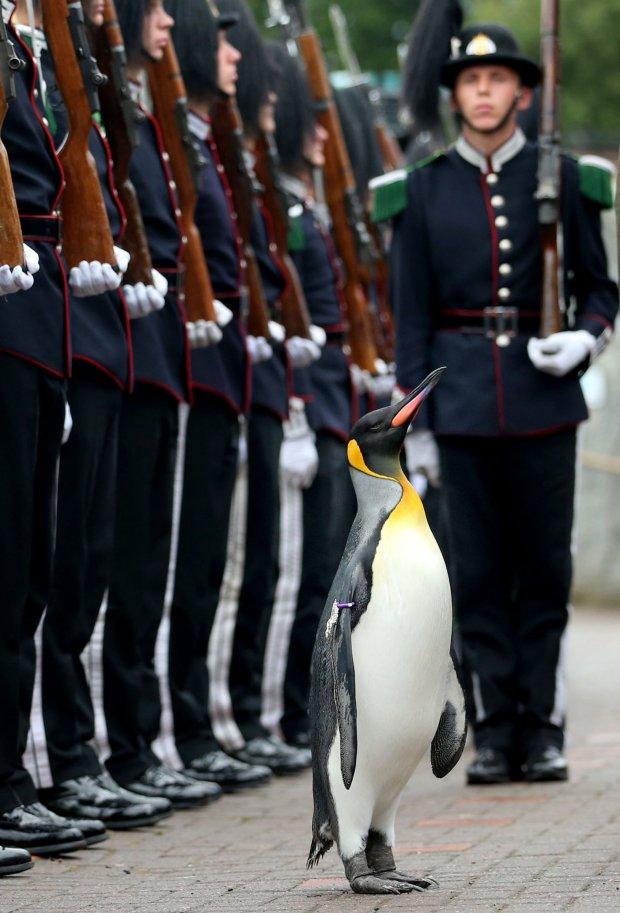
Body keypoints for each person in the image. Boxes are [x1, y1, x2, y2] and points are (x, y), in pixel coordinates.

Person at [388, 4, 618, 784]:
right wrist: (412, 424)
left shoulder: (563, 178)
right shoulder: (420, 191)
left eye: (499, 79)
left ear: (523, 92)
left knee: (544, 568)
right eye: (471, 80)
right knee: (477, 572)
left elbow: (600, 289)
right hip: (457, 404)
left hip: (543, 396)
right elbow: (410, 315)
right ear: (455, 94)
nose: (484, 93)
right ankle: (492, 728)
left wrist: (585, 337)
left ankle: (541, 723)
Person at [16, 0, 170, 831]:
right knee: (37, 569)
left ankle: (70, 760)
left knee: (80, 569)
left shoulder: (66, 77)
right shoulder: (33, 66)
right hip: (48, 337)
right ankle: (49, 762)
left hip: (80, 337)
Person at [100, 0, 219, 809]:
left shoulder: (145, 114)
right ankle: (93, 750)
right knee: (102, 562)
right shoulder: (114, 110)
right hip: (119, 351)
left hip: (160, 355)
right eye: (162, 9)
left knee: (149, 565)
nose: (170, 23)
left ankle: (139, 745)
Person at [217, 0, 318, 774]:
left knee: (285, 575)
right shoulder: (249, 182)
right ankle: (219, 719)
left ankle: (250, 716)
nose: (305, 127)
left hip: (272, 389)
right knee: (228, 572)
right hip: (220, 379)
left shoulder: (275, 192)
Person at [271, 46, 357, 750]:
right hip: (312, 404)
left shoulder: (310, 207)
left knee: (328, 574)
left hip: (335, 405)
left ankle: (310, 704)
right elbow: (293, 316)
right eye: (312, 121)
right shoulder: (287, 206)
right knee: (296, 578)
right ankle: (285, 709)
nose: (324, 134)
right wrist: (298, 406)